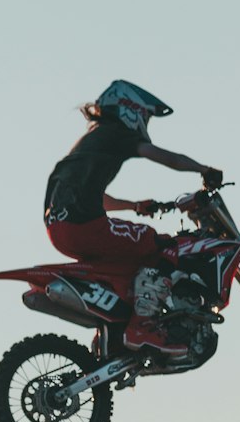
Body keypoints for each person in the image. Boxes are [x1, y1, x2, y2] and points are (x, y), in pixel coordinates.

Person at [43, 80, 221, 356]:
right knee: (162, 245)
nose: (145, 123)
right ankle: (141, 326)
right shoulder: (118, 134)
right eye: (146, 116)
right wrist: (204, 170)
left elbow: (96, 196)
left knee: (129, 261)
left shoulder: (92, 140)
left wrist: (135, 205)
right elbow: (163, 156)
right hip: (84, 226)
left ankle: (115, 331)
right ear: (131, 110)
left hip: (60, 228)